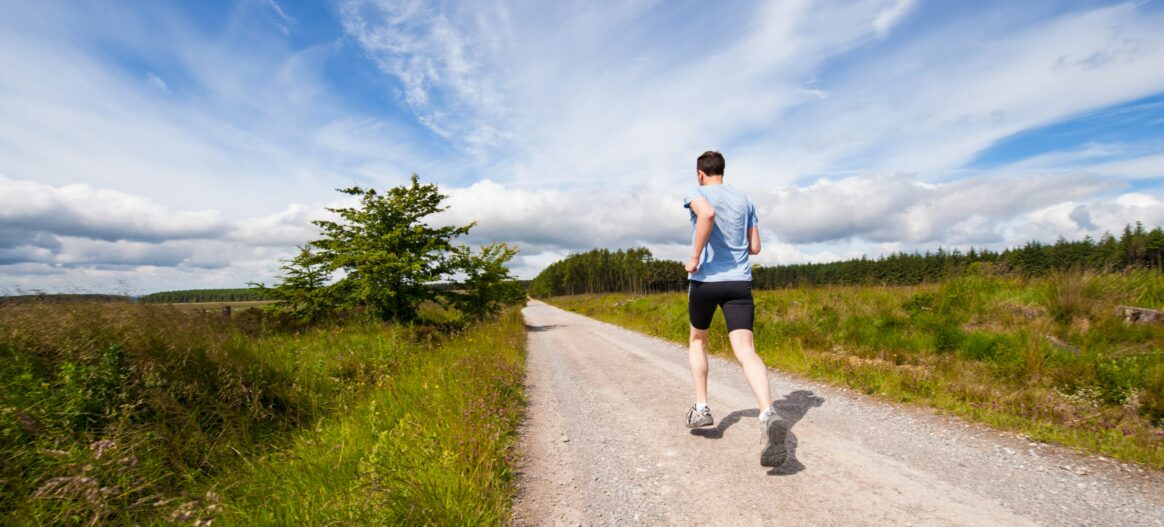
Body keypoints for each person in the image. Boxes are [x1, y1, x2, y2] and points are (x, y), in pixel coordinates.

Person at [682, 150, 786, 467]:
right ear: (722, 171)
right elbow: (754, 247)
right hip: (739, 282)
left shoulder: (696, 193)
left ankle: (701, 409)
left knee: (698, 340)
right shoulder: (745, 200)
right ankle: (768, 412)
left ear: (700, 173)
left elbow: (707, 214)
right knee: (745, 349)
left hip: (705, 282)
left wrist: (696, 257)